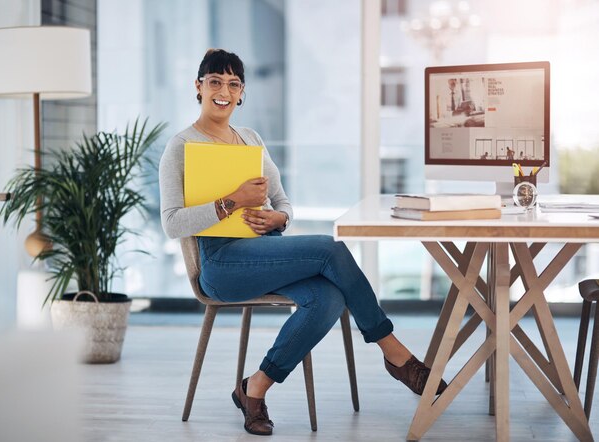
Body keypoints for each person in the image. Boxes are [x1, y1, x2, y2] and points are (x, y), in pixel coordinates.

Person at [159, 48, 447, 436]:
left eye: (233, 83)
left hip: (261, 253)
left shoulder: (249, 139)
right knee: (331, 248)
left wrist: (281, 218)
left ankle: (254, 388)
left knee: (328, 298)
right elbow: (172, 224)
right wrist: (231, 202)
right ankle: (394, 353)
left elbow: (283, 202)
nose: (223, 91)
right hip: (221, 265)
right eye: (214, 82)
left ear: (241, 92)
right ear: (198, 86)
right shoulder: (180, 146)